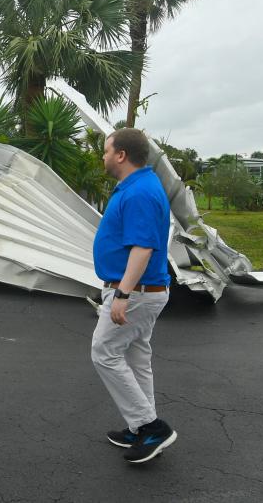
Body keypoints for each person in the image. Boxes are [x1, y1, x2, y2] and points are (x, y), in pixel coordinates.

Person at [91, 127, 176, 464]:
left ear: (121, 155)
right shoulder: (140, 185)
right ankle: (141, 428)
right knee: (137, 358)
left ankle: (151, 426)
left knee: (104, 351)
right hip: (143, 290)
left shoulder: (140, 192)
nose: (104, 156)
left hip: (136, 291)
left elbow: (142, 248)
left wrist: (123, 293)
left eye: (107, 150)